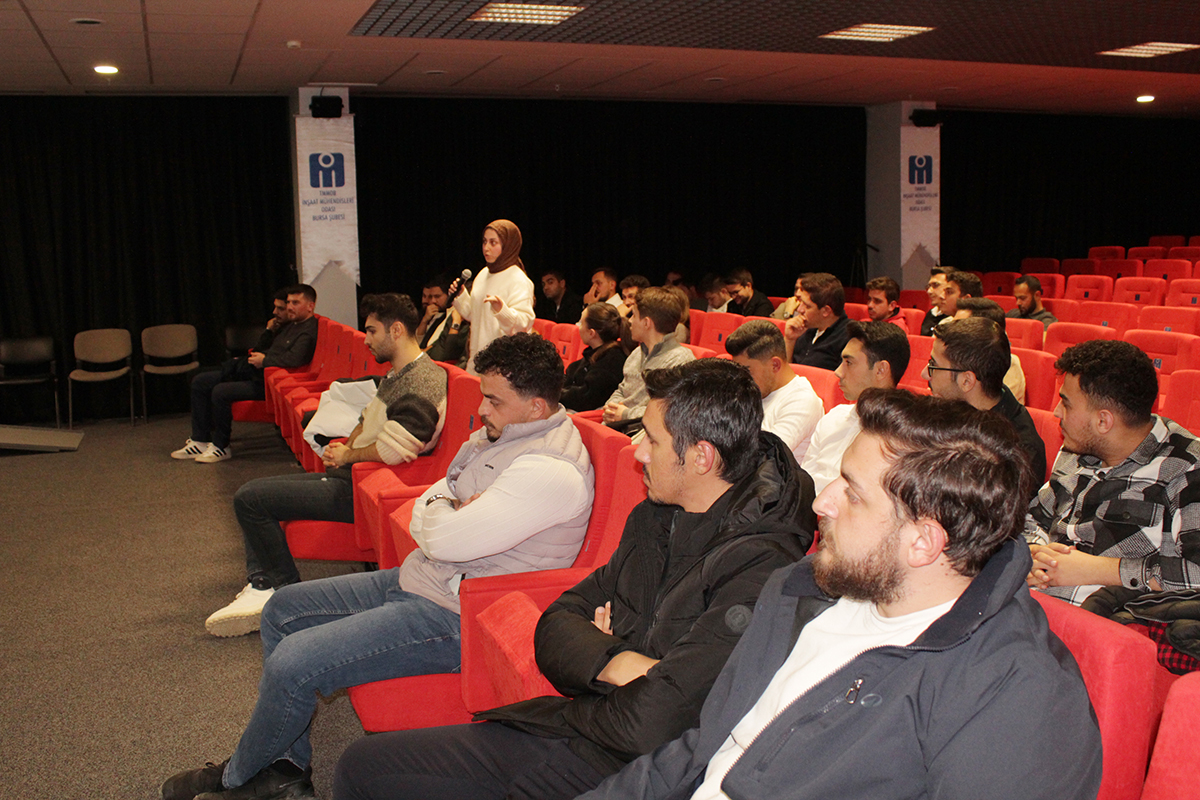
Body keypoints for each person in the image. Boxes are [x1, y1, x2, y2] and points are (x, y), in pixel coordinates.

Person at [559, 390, 1102, 800]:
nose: (822, 502)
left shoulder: (1017, 693)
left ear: (923, 541)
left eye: (853, 493)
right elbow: (705, 747)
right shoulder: (802, 591)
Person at [332, 358, 816, 800]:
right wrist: (618, 662)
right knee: (363, 766)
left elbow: (655, 724)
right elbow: (555, 623)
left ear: (702, 458)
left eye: (651, 439)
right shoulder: (655, 515)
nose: (637, 451)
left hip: (638, 774)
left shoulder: (760, 568)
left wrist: (598, 661)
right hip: (573, 731)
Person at [162, 333, 594, 800]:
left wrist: (443, 510)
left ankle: (239, 776)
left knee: (293, 663)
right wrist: (447, 508)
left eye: (493, 400)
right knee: (282, 610)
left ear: (536, 406)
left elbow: (442, 533)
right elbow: (434, 499)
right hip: (427, 577)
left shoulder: (549, 470)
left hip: (457, 615)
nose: (481, 409)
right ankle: (284, 769)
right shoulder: (502, 434)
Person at [203, 293, 449, 637]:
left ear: (396, 331)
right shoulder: (398, 374)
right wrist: (345, 447)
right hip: (353, 477)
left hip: (363, 489)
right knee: (254, 495)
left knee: (251, 498)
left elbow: (397, 450)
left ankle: (279, 592)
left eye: (372, 331)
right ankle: (265, 585)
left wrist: (348, 456)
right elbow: (366, 420)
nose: (366, 340)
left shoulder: (423, 380)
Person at [1027, 339, 1200, 608]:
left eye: (1066, 404)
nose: (1057, 412)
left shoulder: (1187, 468)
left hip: (1103, 618)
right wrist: (1032, 553)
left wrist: (1101, 570)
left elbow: (1196, 573)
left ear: (1103, 421)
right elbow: (1033, 517)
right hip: (1029, 601)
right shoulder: (1078, 445)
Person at [172, 284, 319, 464]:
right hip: (260, 374)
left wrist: (265, 361)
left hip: (273, 383)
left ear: (310, 306)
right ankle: (200, 440)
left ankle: (220, 446)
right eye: (288, 303)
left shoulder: (308, 330)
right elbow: (262, 349)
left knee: (220, 391)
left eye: (295, 303)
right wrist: (268, 334)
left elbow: (294, 359)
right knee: (201, 381)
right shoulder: (290, 325)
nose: (289, 307)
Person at [922, 317, 1046, 485]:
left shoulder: (1016, 456)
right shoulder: (949, 408)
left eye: (933, 365)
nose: (924, 374)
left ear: (967, 381)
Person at [801, 320, 909, 494]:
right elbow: (803, 480)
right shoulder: (833, 417)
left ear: (880, 370)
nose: (838, 372)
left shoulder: (902, 437)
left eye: (849, 363)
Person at [725, 320, 823, 463]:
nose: (740, 379)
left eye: (747, 371)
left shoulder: (803, 401)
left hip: (769, 474)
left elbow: (764, 457)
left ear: (775, 365)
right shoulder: (752, 388)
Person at [451, 220, 535, 375]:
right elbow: (475, 315)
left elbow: (523, 325)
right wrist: (460, 296)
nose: (486, 248)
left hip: (503, 367)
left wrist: (502, 311)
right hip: (477, 360)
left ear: (508, 245)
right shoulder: (483, 274)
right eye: (484, 242)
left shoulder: (519, 280)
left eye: (493, 242)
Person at [603, 287, 693, 430]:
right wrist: (611, 407)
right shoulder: (636, 353)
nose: (630, 321)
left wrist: (625, 414)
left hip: (643, 434)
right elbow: (622, 390)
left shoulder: (681, 361)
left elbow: (668, 412)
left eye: (634, 315)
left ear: (646, 323)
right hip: (617, 427)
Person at [953, 297, 1027, 405]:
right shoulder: (953, 359)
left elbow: (984, 410)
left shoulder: (1007, 366)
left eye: (957, 330)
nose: (949, 334)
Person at [561, 303, 626, 412]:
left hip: (587, 415)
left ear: (591, 333)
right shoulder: (594, 353)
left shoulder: (612, 360)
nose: (578, 327)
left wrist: (556, 394)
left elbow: (586, 398)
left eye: (581, 323)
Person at [783, 272, 850, 371]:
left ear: (826, 311)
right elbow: (782, 373)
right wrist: (789, 340)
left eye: (807, 306)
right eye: (801, 303)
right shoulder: (805, 329)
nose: (799, 309)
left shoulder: (849, 338)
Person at [415, 274, 469, 364]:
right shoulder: (436, 315)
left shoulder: (458, 317)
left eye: (437, 296)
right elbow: (423, 344)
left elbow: (449, 352)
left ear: (449, 295)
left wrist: (455, 323)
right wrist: (424, 320)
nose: (432, 301)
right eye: (429, 297)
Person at [919, 267, 951, 335]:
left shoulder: (956, 318)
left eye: (936, 285)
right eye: (929, 286)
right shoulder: (931, 313)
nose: (929, 291)